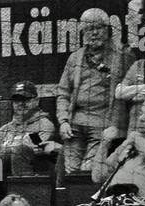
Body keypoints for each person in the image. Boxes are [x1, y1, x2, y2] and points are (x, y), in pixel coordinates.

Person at [54, 8, 133, 173]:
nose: (94, 33)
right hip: (74, 125)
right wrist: (63, 121)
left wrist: (116, 126)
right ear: (83, 32)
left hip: (102, 124)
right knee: (70, 172)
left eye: (98, 27)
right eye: (89, 29)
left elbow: (130, 91)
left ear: (108, 29)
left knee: (88, 171)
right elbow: (63, 93)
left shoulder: (122, 55)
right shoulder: (75, 58)